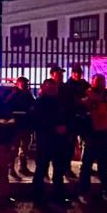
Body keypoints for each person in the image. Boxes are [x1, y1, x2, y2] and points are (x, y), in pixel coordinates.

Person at [80, 74, 107, 198]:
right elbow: (83, 112)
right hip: (93, 134)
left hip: (106, 133)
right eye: (97, 81)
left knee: (104, 163)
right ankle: (84, 190)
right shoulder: (87, 95)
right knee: (87, 164)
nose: (100, 83)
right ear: (92, 82)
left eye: (102, 81)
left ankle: (106, 188)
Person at [31, 77, 72, 205]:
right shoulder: (39, 103)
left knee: (58, 170)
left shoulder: (60, 102)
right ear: (44, 88)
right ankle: (38, 195)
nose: (53, 90)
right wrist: (54, 127)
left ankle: (58, 195)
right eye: (49, 87)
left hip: (59, 141)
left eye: (54, 88)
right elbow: (37, 121)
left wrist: (66, 128)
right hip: (45, 141)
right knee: (41, 169)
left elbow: (67, 118)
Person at [7, 76, 36, 177]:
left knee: (25, 148)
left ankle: (23, 167)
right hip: (16, 126)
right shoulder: (13, 95)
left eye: (26, 84)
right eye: (23, 84)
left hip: (26, 125)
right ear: (18, 84)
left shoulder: (28, 95)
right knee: (14, 148)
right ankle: (11, 168)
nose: (25, 86)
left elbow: (33, 106)